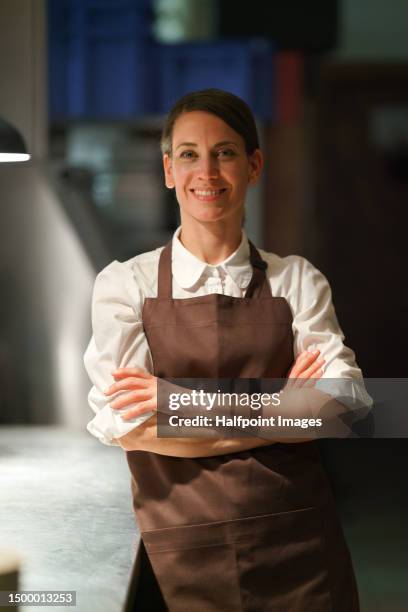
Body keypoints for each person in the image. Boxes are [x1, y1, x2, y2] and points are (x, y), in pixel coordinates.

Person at [84, 89, 370, 611]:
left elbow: (344, 405)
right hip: (183, 553)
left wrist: (175, 400)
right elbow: (125, 426)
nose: (207, 172)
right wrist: (285, 407)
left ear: (254, 165)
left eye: (226, 152)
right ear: (169, 170)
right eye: (190, 154)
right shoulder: (125, 284)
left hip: (300, 549)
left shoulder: (298, 279)